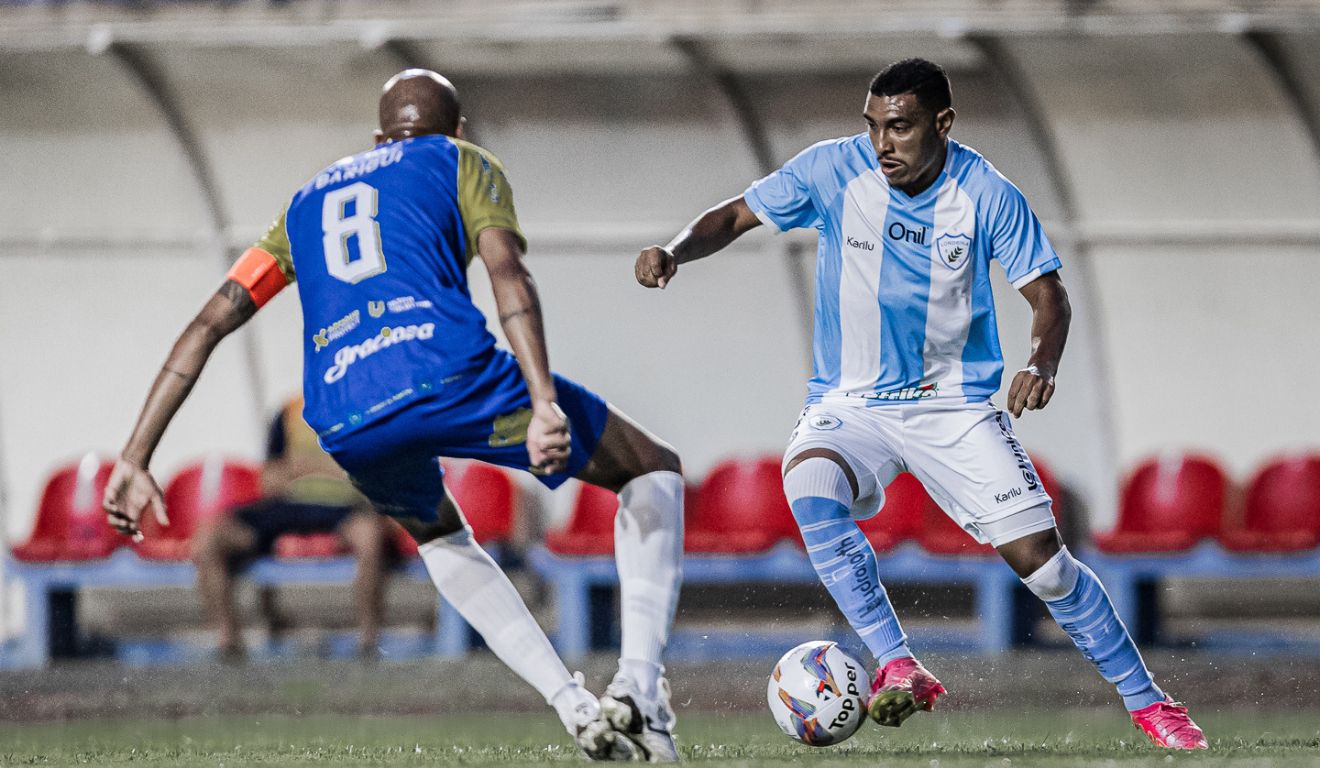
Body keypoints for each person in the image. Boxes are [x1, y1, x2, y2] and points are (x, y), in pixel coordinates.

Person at [103, 69, 684, 762]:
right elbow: (508, 276)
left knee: (439, 536)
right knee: (652, 470)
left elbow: (207, 324)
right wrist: (544, 403)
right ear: (458, 130)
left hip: (344, 412)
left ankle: (573, 705)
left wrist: (135, 458)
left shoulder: (300, 207)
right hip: (447, 371)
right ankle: (639, 692)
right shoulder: (460, 160)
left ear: (380, 138)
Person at [635, 58, 1206, 750]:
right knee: (810, 481)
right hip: (852, 403)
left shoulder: (986, 193)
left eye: (900, 128)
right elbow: (734, 214)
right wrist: (673, 252)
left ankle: (1152, 704)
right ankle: (898, 663)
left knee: (1047, 567)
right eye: (874, 126)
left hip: (953, 407)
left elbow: (1047, 294)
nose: (883, 144)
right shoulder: (832, 170)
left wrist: (1040, 363)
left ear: (943, 125)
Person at [192, 396, 393, 661]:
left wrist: (305, 468)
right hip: (285, 507)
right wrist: (333, 468)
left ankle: (368, 640)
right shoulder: (289, 413)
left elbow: (370, 474)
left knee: (371, 536)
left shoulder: (363, 407)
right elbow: (270, 480)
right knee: (210, 537)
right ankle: (228, 641)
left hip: (342, 506)